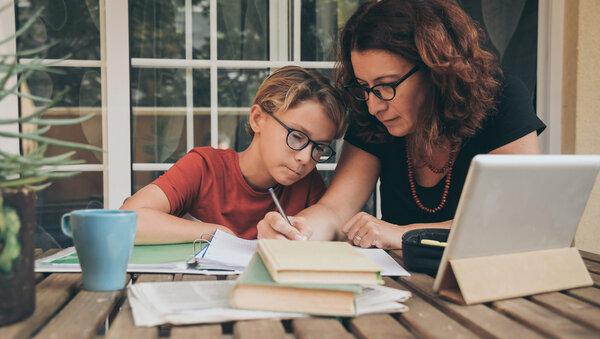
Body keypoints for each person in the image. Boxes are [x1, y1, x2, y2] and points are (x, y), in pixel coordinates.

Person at [257, 0, 546, 249]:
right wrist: (297, 230)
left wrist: (402, 234)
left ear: (436, 69)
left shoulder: (502, 98)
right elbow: (334, 209)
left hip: (492, 283)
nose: (374, 105)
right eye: (364, 87)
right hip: (407, 288)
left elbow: (514, 219)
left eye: (385, 85)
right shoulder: (374, 115)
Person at [121, 66, 346, 244]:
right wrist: (216, 232)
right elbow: (127, 220)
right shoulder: (204, 167)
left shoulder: (308, 184)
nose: (306, 158)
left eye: (319, 148)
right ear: (258, 119)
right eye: (297, 137)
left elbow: (333, 240)